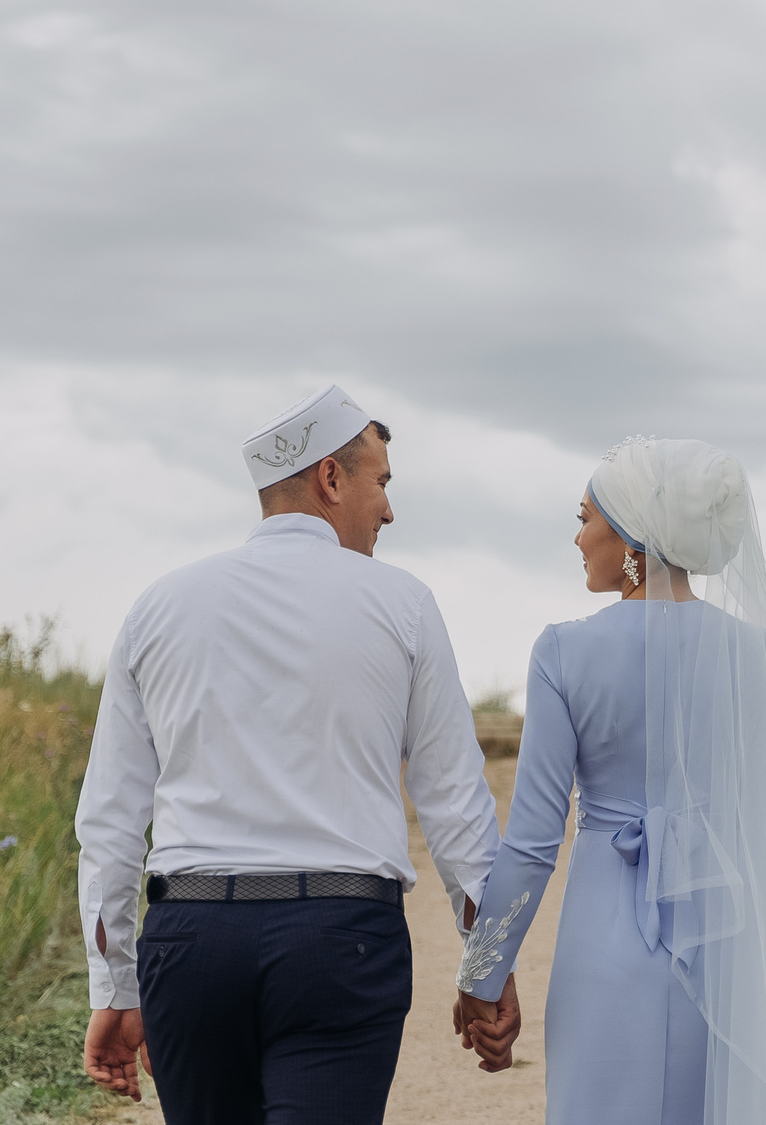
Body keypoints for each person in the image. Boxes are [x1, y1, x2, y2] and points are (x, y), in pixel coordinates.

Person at [74, 384, 521, 1124]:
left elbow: (111, 819)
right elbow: (454, 803)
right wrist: (485, 963)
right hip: (340, 941)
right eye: (381, 481)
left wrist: (114, 986)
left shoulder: (158, 604)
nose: (388, 508)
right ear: (330, 478)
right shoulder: (404, 603)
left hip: (191, 943)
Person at [453, 436, 766, 1125]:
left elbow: (532, 843)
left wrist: (483, 975)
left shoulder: (563, 651)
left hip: (605, 949)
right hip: (729, 952)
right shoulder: (756, 655)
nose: (577, 537)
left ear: (632, 531)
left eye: (585, 517)